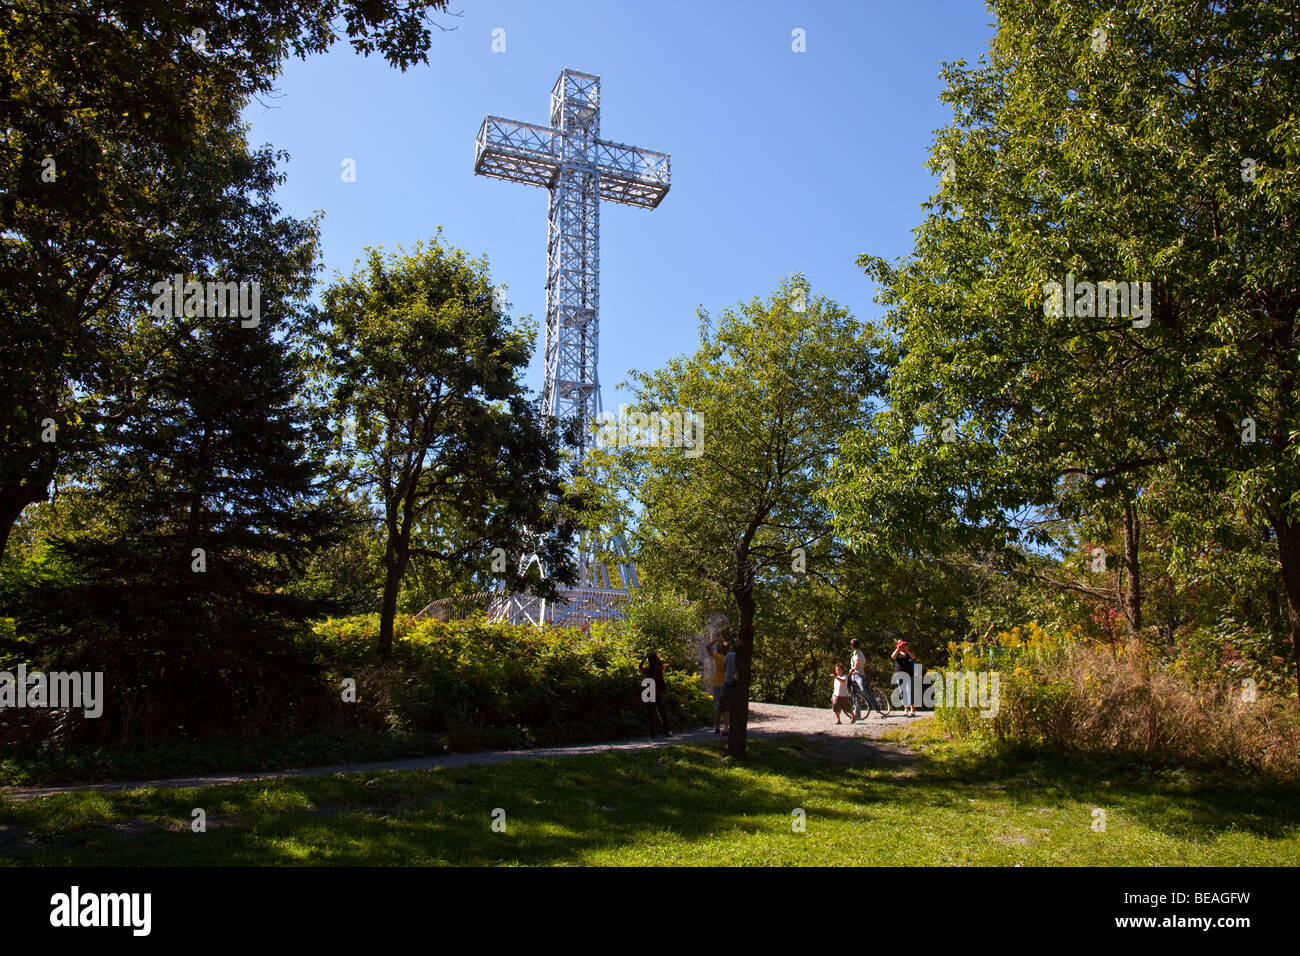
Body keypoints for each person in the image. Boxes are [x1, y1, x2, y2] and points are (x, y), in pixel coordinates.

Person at [639, 651, 671, 736]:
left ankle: (653, 732)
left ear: (649, 661)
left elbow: (640, 667)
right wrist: (657, 658)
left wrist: (645, 658)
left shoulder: (647, 671)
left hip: (650, 693)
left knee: (651, 714)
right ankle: (667, 731)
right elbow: (661, 666)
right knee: (662, 712)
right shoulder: (658, 670)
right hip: (658, 693)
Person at [706, 634, 730, 734]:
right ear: (728, 650)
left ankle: (716, 727)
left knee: (717, 706)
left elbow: (707, 647)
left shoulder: (718, 657)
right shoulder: (729, 658)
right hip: (725, 684)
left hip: (716, 683)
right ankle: (725, 727)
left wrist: (717, 640)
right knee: (726, 707)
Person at [891, 639, 917, 716]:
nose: (903, 646)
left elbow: (914, 657)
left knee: (910, 691)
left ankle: (912, 710)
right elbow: (893, 656)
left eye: (904, 645)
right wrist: (898, 649)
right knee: (903, 692)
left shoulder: (908, 654)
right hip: (899, 674)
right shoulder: (897, 654)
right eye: (902, 645)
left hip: (908, 674)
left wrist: (907, 650)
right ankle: (906, 709)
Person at [848, 638, 871, 720]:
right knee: (859, 692)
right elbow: (864, 663)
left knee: (857, 692)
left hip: (856, 674)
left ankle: (867, 704)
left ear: (852, 646)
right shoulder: (861, 653)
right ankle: (857, 713)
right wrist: (861, 668)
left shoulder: (856, 653)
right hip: (860, 673)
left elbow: (857, 662)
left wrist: (853, 669)